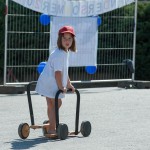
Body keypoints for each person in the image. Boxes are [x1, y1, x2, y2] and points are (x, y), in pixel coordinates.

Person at [35, 25, 76, 134]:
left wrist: (69, 84)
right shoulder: (59, 55)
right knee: (57, 103)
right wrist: (61, 87)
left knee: (51, 104)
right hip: (51, 83)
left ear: (73, 40)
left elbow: (64, 72)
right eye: (64, 38)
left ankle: (50, 124)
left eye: (69, 39)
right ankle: (52, 127)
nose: (67, 41)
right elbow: (58, 73)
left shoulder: (62, 52)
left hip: (46, 81)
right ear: (59, 40)